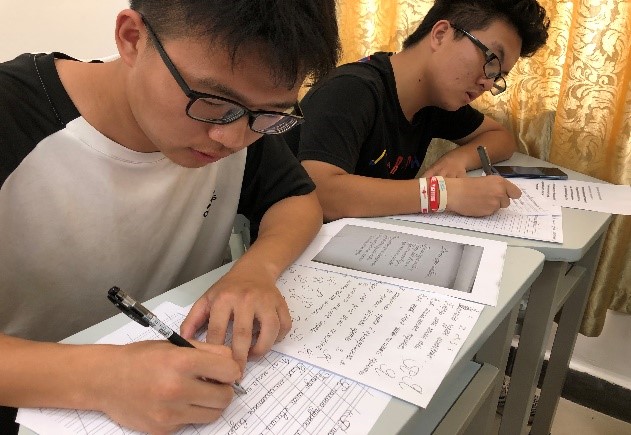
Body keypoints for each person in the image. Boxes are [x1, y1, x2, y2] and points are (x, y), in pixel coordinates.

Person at [0, 0, 340, 432]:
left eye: (271, 114)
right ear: (132, 38)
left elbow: (296, 200)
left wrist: (255, 271)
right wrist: (101, 377)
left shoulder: (244, 120)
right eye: (211, 102)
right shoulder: (12, 114)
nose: (231, 138)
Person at [288, 0, 549, 221]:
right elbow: (319, 193)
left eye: (499, 76)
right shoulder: (351, 90)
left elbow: (501, 138)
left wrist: (457, 160)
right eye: (491, 61)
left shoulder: (436, 100)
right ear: (441, 34)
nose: (489, 84)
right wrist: (444, 194)